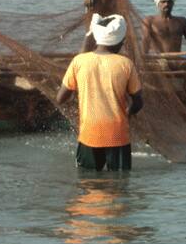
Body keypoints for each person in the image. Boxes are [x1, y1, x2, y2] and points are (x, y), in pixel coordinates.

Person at [56, 14, 143, 171]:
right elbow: (138, 101)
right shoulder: (126, 64)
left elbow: (61, 98)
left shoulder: (79, 61)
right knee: (120, 185)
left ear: (97, 38)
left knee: (87, 183)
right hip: (117, 134)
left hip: (90, 134)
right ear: (121, 42)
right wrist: (128, 113)